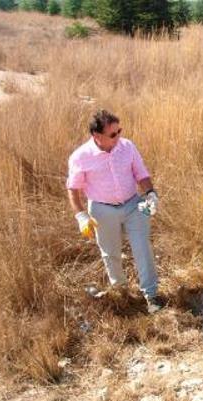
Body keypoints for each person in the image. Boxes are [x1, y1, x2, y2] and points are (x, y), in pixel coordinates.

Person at [66, 110, 163, 314]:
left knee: (142, 247)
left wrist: (151, 193)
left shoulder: (127, 147)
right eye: (113, 134)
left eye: (119, 131)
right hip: (102, 210)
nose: (118, 136)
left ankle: (152, 295)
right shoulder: (80, 156)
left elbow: (141, 173)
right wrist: (81, 217)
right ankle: (122, 293)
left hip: (134, 205)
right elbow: (73, 190)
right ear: (97, 136)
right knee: (110, 253)